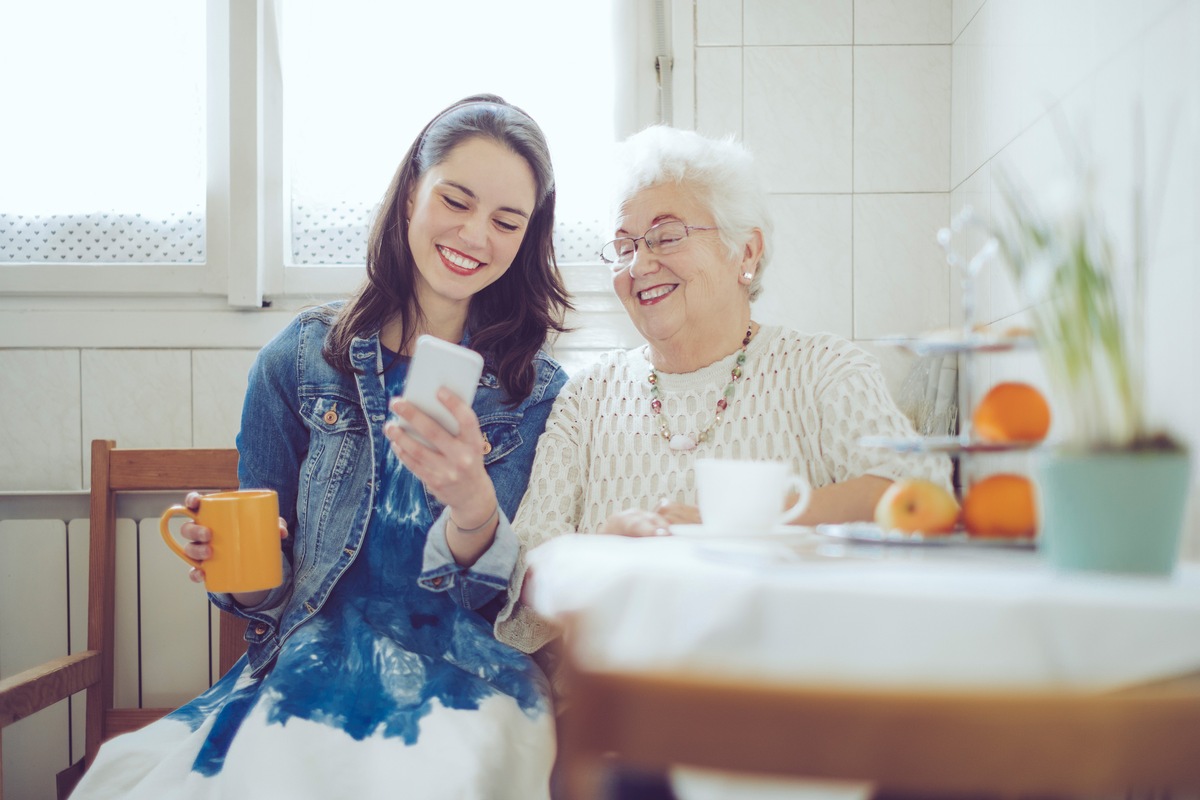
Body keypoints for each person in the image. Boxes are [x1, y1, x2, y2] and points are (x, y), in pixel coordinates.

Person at [72, 94, 572, 800]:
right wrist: (232, 567)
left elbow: (500, 606)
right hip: (309, 666)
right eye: (455, 200)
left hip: (467, 680)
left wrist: (473, 506)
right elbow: (265, 593)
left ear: (528, 236)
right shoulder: (299, 360)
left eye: (506, 221)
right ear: (409, 196)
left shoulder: (539, 391)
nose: (475, 234)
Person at [493, 124, 952, 653]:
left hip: (787, 687)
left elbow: (918, 489)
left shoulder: (823, 368)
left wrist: (746, 524)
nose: (639, 265)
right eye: (623, 246)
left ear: (745, 253)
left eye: (666, 236)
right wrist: (597, 554)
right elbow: (527, 575)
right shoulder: (587, 398)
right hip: (620, 702)